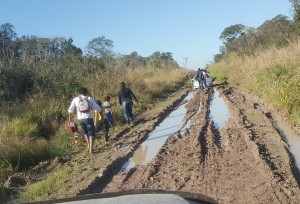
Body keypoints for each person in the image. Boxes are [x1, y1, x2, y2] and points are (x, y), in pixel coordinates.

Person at [68, 87, 102, 153]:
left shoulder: (76, 99)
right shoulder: (89, 98)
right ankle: (91, 150)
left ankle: (88, 145)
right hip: (88, 118)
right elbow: (97, 107)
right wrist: (101, 114)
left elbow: (70, 110)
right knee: (91, 132)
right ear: (86, 92)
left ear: (79, 93)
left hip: (80, 119)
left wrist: (70, 119)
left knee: (85, 132)